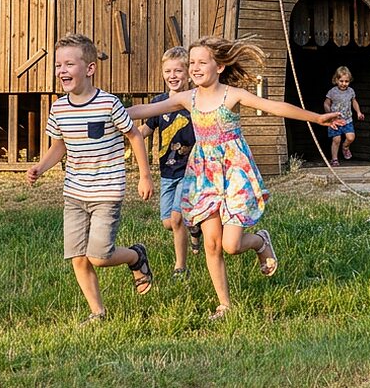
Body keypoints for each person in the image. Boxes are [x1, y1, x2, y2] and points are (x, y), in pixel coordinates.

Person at [128, 36, 345, 320]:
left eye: (201, 62)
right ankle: (224, 305)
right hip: (203, 175)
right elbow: (143, 110)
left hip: (233, 172)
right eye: (191, 62)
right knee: (211, 243)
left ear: (219, 67)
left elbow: (275, 107)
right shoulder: (187, 98)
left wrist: (316, 118)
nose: (194, 67)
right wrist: (103, 110)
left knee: (232, 245)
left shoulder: (232, 95)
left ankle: (259, 242)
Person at [26, 34, 155, 325]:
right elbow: (59, 145)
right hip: (74, 193)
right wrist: (41, 167)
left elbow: (133, 135)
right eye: (58, 64)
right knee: (77, 257)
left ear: (90, 68)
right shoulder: (58, 108)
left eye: (70, 64)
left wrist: (144, 175)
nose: (62, 70)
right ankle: (97, 312)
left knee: (98, 255)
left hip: (107, 190)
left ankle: (136, 256)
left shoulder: (108, 103)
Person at [137, 46, 199, 281]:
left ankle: (180, 267)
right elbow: (145, 130)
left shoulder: (194, 101)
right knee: (167, 223)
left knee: (176, 218)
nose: (172, 76)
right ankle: (195, 228)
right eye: (167, 71)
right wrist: (125, 134)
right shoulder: (159, 102)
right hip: (167, 170)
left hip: (190, 170)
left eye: (178, 71)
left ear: (188, 73)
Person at [323, 66, 365, 166]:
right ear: (336, 80)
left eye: (346, 81)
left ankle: (345, 147)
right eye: (341, 81)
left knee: (351, 138)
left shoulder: (350, 91)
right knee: (336, 139)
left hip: (347, 120)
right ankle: (334, 159)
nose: (344, 84)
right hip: (335, 120)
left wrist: (358, 112)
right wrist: (329, 115)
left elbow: (354, 102)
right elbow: (326, 103)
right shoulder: (332, 92)